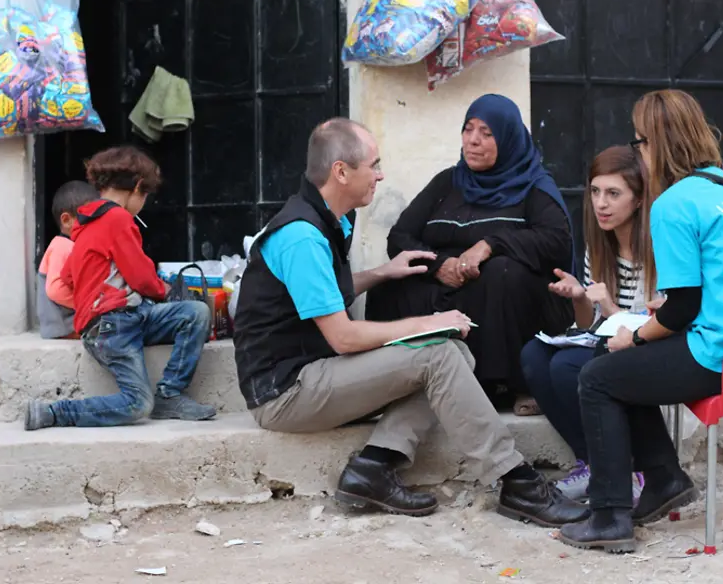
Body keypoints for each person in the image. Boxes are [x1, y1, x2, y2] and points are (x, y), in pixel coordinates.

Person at [233, 117, 586, 526]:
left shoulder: (327, 219)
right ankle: (516, 480)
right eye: (374, 165)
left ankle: (375, 464)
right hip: (284, 392)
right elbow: (344, 337)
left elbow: (319, 294)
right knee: (438, 354)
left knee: (455, 353)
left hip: (311, 372)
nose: (380, 175)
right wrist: (428, 324)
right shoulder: (302, 236)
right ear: (341, 172)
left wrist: (383, 273)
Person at [556, 90, 723, 553]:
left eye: (640, 141)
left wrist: (635, 336)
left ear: (656, 145)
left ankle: (609, 515)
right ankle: (665, 479)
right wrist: (654, 327)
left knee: (599, 376)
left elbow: (682, 309)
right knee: (624, 368)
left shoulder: (672, 204)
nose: (638, 152)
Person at [365, 94, 575, 416]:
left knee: (503, 273)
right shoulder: (448, 182)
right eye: (468, 129)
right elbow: (400, 237)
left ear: (508, 139)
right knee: (388, 284)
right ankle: (396, 381)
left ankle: (508, 382)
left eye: (487, 133)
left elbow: (556, 240)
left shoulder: (533, 186)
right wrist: (438, 265)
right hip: (448, 286)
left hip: (500, 291)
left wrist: (490, 244)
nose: (473, 140)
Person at [25, 146, 217, 430]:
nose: (143, 203)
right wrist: (166, 291)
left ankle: (169, 396)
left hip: (125, 318)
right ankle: (54, 412)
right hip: (112, 327)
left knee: (195, 313)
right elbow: (142, 278)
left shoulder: (84, 224)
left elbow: (67, 276)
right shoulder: (117, 218)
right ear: (138, 187)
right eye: (145, 195)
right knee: (137, 403)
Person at [520, 145, 657, 501]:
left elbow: (657, 320)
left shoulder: (659, 247)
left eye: (613, 194)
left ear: (638, 200)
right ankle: (593, 463)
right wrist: (579, 297)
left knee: (567, 366)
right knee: (534, 356)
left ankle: (630, 468)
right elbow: (589, 324)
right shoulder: (598, 246)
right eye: (595, 192)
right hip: (608, 341)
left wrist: (610, 307)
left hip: (649, 345)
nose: (601, 204)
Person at [37, 180, 99, 340]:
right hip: (62, 325)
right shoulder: (62, 246)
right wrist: (86, 305)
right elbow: (55, 290)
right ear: (66, 220)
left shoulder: (70, 245)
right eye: (89, 221)